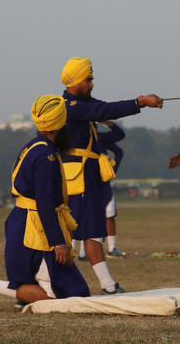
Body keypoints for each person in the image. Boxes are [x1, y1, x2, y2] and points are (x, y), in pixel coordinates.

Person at [0, 95, 90, 313]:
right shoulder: (46, 155)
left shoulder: (33, 146)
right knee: (71, 303)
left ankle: (25, 296)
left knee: (79, 293)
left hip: (24, 222)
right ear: (60, 124)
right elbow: (44, 202)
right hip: (35, 231)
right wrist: (59, 243)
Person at [61, 57, 163, 294]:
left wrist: (139, 103)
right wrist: (140, 101)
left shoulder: (80, 104)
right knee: (89, 230)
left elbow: (105, 108)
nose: (92, 84)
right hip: (80, 178)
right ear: (76, 81)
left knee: (92, 229)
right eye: (89, 79)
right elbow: (104, 109)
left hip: (87, 176)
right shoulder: (71, 106)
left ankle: (106, 285)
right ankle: (107, 286)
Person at [75, 120, 126, 260]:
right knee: (79, 216)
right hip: (81, 181)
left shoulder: (100, 138)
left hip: (101, 183)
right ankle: (79, 253)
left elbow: (120, 137)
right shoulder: (73, 139)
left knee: (109, 213)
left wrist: (108, 122)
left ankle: (111, 248)